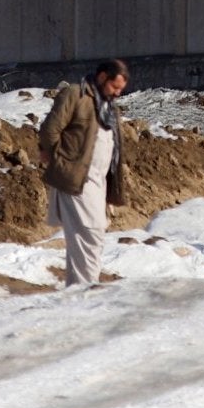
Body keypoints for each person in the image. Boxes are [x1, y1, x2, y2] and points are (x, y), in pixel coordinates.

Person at [38, 59, 130, 290]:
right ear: (101, 78)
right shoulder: (75, 95)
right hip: (76, 177)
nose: (117, 94)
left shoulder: (108, 105)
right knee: (88, 231)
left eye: (121, 90)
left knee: (93, 232)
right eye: (114, 87)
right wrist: (57, 159)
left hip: (99, 180)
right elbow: (50, 129)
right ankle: (85, 288)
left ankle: (79, 287)